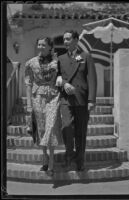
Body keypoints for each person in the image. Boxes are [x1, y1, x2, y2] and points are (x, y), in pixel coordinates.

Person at [58, 30, 97, 171]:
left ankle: (79, 160)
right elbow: (56, 77)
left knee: (81, 131)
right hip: (66, 99)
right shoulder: (60, 58)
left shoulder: (85, 56)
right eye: (64, 39)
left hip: (82, 98)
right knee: (66, 127)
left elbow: (91, 79)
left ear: (76, 40)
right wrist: (64, 83)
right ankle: (69, 156)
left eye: (68, 39)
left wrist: (92, 100)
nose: (65, 42)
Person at [24, 37, 62, 175]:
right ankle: (45, 158)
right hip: (37, 97)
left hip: (53, 96)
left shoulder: (57, 61)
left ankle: (51, 161)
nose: (40, 46)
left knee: (50, 127)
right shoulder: (30, 63)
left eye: (43, 45)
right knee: (41, 129)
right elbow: (28, 84)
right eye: (38, 44)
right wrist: (29, 105)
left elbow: (65, 73)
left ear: (50, 47)